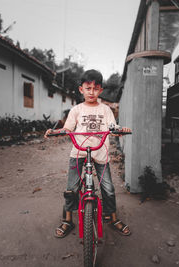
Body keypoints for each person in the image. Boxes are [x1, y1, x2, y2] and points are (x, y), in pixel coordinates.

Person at [44, 69, 131, 238]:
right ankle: (67, 219)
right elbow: (67, 129)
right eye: (88, 88)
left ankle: (112, 217)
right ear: (81, 89)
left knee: (109, 189)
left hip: (100, 153)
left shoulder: (106, 110)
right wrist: (54, 132)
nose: (92, 92)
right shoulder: (76, 110)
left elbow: (113, 128)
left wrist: (121, 130)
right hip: (79, 152)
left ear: (101, 90)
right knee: (72, 188)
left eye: (95, 88)